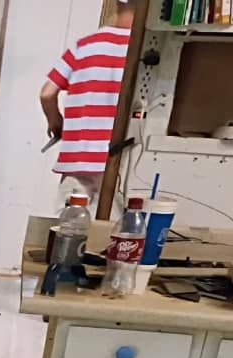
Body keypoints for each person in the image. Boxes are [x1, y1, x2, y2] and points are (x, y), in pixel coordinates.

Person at [39, 0, 135, 205]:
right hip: (115, 161)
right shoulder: (139, 48)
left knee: (69, 227)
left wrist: (56, 123)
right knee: (108, 231)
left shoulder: (85, 45)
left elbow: (47, 93)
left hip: (75, 159)